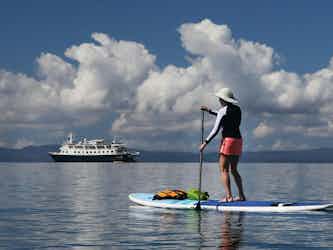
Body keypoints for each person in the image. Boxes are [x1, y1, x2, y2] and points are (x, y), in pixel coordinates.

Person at [200, 88, 246, 202]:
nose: (219, 100)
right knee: (234, 169)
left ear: (223, 100)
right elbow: (223, 115)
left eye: (220, 99)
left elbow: (215, 129)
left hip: (228, 141)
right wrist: (210, 111)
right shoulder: (238, 109)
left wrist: (205, 143)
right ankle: (241, 196)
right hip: (238, 141)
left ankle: (229, 197)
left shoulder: (222, 111)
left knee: (224, 169)